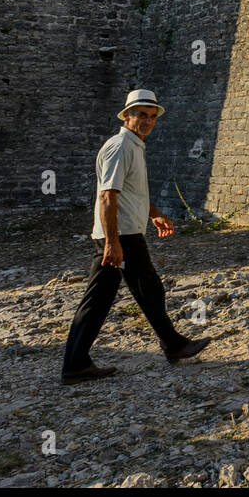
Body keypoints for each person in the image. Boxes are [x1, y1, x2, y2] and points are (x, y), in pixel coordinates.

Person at [61, 89, 210, 384]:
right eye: (142, 114)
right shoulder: (120, 146)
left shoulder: (134, 146)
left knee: (137, 292)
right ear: (127, 115)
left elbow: (131, 193)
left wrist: (153, 212)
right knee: (124, 295)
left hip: (125, 233)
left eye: (153, 116)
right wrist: (113, 242)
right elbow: (106, 196)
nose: (148, 120)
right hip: (121, 236)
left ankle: (79, 363)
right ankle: (172, 345)